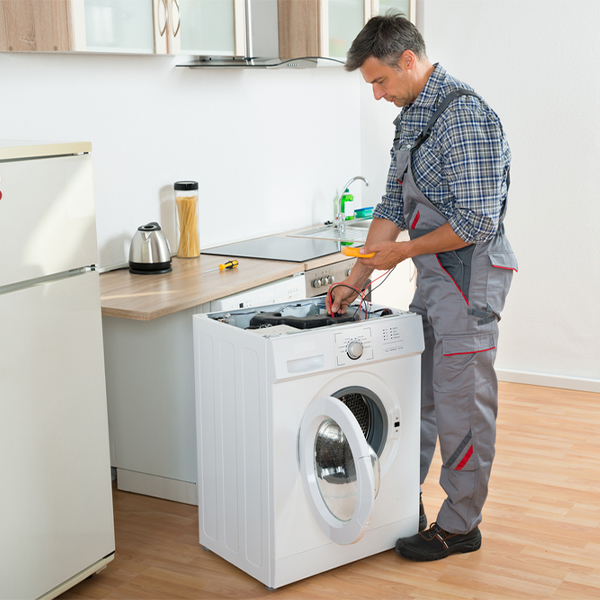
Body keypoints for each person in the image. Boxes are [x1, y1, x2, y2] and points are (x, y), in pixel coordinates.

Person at [326, 13, 518, 562]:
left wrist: (404, 251)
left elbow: (477, 221)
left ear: (408, 60)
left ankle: (461, 526)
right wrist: (357, 277)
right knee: (418, 399)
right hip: (435, 279)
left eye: (380, 81)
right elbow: (392, 205)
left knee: (462, 404)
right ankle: (400, 506)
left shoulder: (466, 117)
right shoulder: (412, 116)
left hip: (470, 279)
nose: (378, 94)